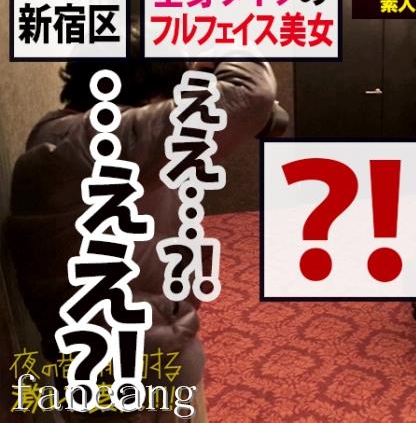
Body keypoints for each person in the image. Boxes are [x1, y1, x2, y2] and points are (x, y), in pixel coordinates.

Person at [5, 23, 284, 422]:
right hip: (132, 373)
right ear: (147, 96)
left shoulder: (63, 137)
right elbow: (250, 94)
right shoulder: (97, 144)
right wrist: (226, 35)